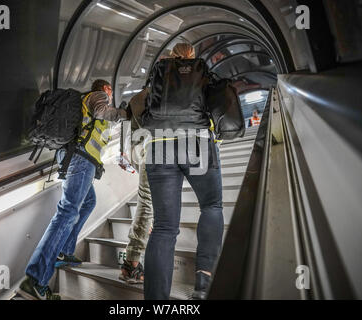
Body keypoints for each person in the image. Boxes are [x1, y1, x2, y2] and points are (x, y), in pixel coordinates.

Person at [17, 80, 128, 300]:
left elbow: (99, 127)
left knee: (88, 203)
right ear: (105, 89)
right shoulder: (98, 96)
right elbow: (101, 111)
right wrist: (128, 112)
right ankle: (35, 281)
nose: (111, 96)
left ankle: (64, 251)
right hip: (80, 160)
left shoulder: (88, 103)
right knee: (67, 212)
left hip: (77, 159)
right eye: (110, 92)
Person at [142, 43, 224, 300]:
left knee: (165, 227)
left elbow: (142, 105)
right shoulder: (201, 71)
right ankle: (203, 285)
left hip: (158, 144)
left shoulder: (158, 71)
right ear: (191, 55)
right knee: (211, 206)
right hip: (197, 140)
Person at [118, 88, 154, 285]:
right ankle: (131, 263)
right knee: (148, 203)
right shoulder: (172, 91)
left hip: (141, 152)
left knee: (147, 201)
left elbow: (130, 130)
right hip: (162, 150)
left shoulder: (138, 97)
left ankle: (130, 261)